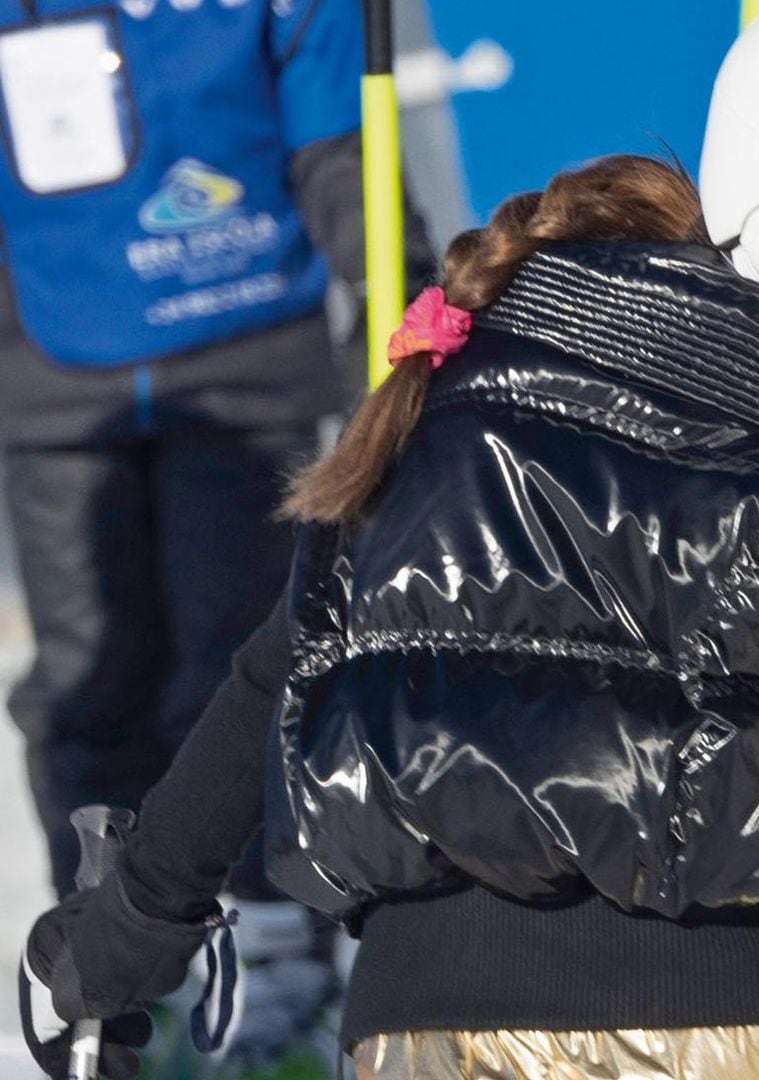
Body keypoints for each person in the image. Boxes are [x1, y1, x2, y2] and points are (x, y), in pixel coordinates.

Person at [16, 3, 759, 1076]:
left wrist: (116, 943)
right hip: (727, 1030)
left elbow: (273, 675)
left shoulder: (433, 409)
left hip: (415, 1034)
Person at [0, 0, 431, 1072]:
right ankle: (102, 969)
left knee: (236, 673)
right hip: (55, 385)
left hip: (245, 364)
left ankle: (269, 947)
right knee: (87, 684)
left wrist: (401, 299)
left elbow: (340, 149)